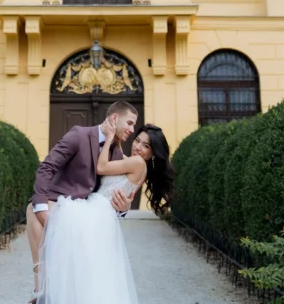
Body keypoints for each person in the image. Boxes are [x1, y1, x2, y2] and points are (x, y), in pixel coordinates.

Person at [27, 102, 175, 304]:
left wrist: (123, 209)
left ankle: (45, 293)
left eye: (145, 144)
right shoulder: (81, 136)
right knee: (36, 213)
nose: (134, 137)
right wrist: (40, 204)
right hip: (85, 210)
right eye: (131, 126)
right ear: (115, 119)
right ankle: (42, 290)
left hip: (94, 215)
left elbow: (106, 175)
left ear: (152, 152)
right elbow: (47, 167)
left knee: (86, 275)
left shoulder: (122, 156)